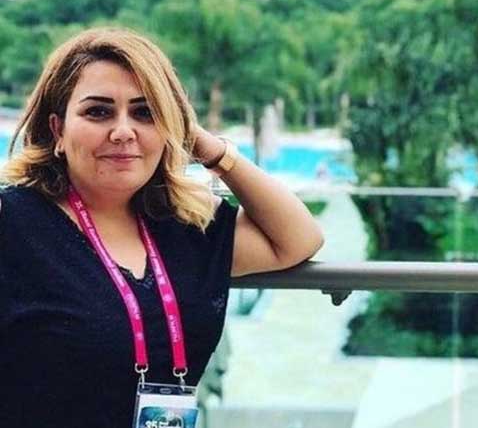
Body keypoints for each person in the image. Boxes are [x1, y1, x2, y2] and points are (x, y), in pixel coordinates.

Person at [0, 27, 324, 426]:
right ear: (58, 130)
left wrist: (211, 150)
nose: (123, 131)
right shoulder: (13, 223)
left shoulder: (185, 225)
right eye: (98, 112)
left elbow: (298, 238)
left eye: (145, 113)